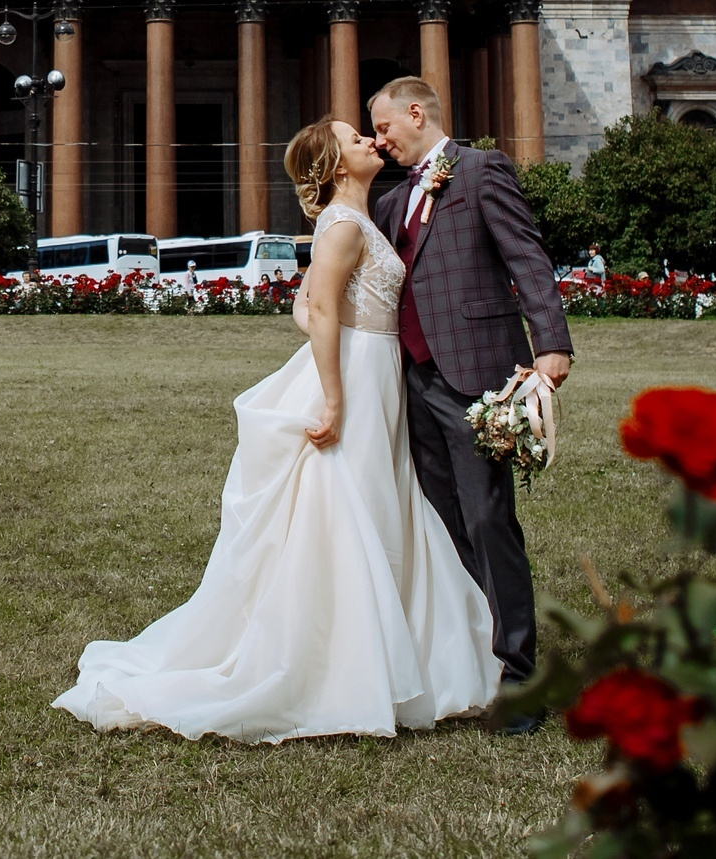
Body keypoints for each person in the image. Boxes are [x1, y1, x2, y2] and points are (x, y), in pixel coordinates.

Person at [52, 119, 498, 742]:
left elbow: (307, 304)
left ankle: (387, 656)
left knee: (379, 502)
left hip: (377, 370)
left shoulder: (357, 218)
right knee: (346, 506)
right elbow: (320, 308)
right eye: (355, 139)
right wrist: (335, 394)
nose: (370, 141)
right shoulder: (343, 225)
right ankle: (340, 668)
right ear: (336, 165)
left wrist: (342, 331)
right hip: (354, 377)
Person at [367, 76, 571, 718]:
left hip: (476, 372)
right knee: (442, 522)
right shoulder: (390, 202)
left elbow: (527, 257)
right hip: (414, 381)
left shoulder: (482, 171)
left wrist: (551, 344)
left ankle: (520, 673)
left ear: (416, 113)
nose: (380, 141)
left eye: (384, 128)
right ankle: (474, 652)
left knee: (487, 519)